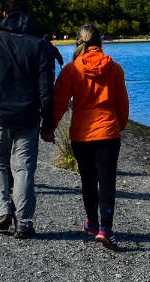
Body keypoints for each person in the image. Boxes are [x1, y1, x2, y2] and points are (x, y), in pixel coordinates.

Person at [0, 0, 55, 239]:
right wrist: (48, 123)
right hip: (28, 116)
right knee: (24, 167)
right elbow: (47, 90)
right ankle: (24, 222)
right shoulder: (39, 45)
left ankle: (2, 210)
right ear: (26, 15)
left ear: (5, 14)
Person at [51, 24, 129, 248]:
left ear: (79, 42)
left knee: (88, 179)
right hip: (107, 132)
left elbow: (59, 102)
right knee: (107, 182)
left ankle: (93, 223)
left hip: (81, 135)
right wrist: (119, 126)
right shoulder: (114, 69)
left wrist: (50, 128)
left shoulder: (71, 69)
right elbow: (122, 103)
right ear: (100, 42)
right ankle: (105, 229)